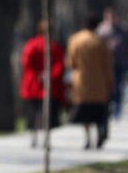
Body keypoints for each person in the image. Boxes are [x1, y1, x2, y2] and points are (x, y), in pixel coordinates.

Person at [66, 14, 114, 149]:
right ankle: (100, 133)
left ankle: (87, 138)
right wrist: (110, 84)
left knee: (84, 113)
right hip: (99, 83)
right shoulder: (100, 42)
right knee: (98, 112)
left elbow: (71, 62)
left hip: (81, 82)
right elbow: (107, 66)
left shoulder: (74, 40)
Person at [20, 20, 66, 148]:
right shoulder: (55, 47)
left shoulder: (31, 45)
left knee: (33, 113)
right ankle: (46, 138)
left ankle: (33, 136)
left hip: (32, 86)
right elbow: (59, 66)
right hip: (48, 87)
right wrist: (48, 75)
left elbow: (26, 63)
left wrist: (37, 75)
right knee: (48, 114)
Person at [97, 8, 128, 120]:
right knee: (108, 88)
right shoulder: (102, 30)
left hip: (119, 64)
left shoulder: (124, 30)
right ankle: (108, 109)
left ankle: (117, 110)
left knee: (118, 87)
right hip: (106, 65)